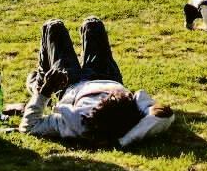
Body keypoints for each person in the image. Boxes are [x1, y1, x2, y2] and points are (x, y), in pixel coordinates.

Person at [21, 18, 174, 148]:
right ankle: (37, 83)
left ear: (92, 115)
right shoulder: (136, 113)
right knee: (93, 24)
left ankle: (38, 84)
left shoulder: (76, 122)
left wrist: (44, 92)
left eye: (103, 102)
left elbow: (29, 126)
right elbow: (165, 115)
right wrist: (123, 141)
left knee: (53, 28)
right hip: (107, 77)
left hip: (70, 84)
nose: (105, 97)